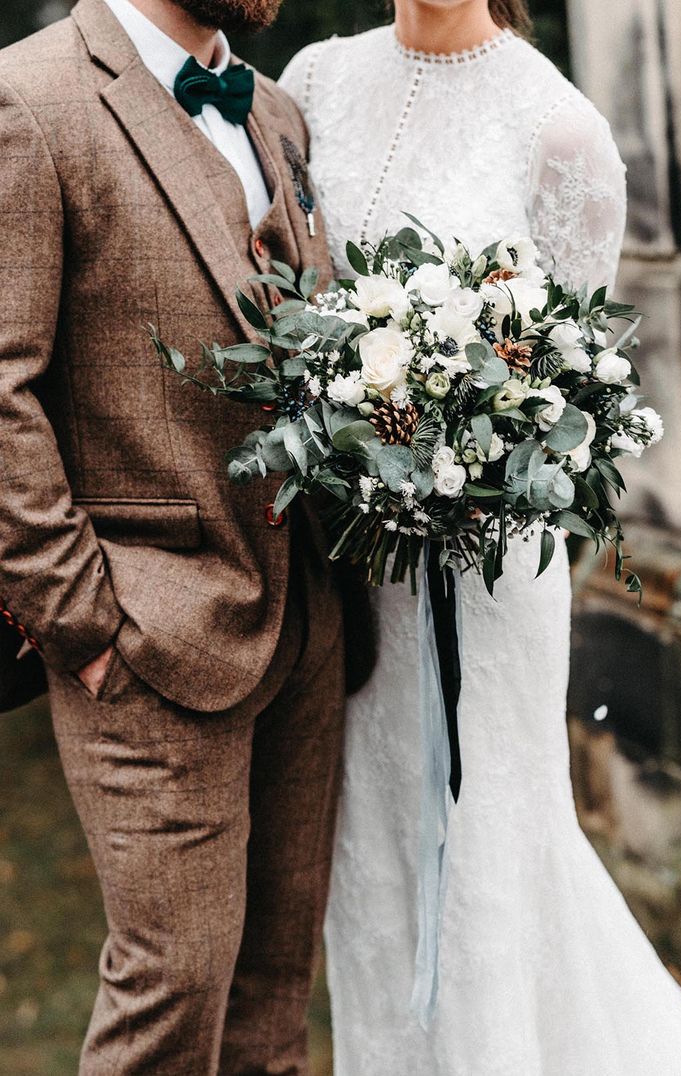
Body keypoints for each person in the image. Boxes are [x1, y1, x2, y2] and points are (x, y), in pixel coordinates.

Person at [280, 1, 681, 1072]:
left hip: (479, 581)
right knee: (368, 866)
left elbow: (561, 405)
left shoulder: (560, 131)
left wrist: (459, 456)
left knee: (483, 853)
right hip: (341, 566)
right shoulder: (311, 80)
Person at [0, 0, 357, 1071]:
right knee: (169, 1003)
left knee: (269, 1005)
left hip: (306, 626)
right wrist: (85, 624)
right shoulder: (30, 99)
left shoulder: (279, 113)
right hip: (146, 640)